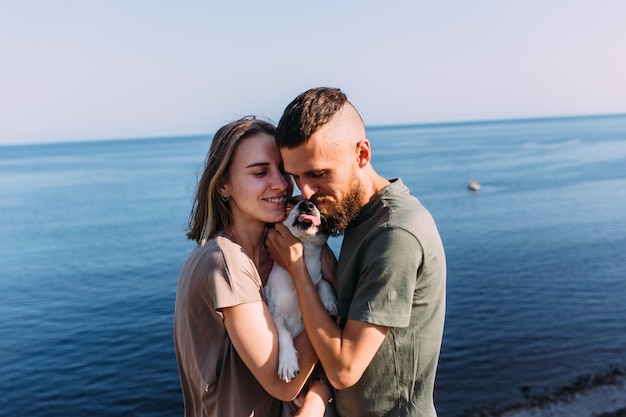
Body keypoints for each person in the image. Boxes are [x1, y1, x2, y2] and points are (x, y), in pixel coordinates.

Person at [265, 88, 447, 416]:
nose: (306, 191)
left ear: (361, 154)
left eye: (318, 174)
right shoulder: (356, 216)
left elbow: (344, 370)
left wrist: (296, 268)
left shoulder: (395, 233)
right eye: (296, 176)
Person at [173, 116, 335, 417]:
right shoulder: (224, 262)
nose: (281, 185)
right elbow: (282, 382)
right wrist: (319, 394)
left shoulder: (271, 254)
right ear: (223, 185)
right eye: (260, 172)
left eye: (283, 171)